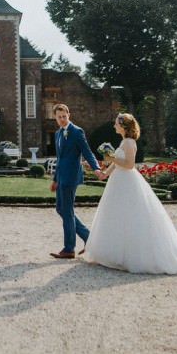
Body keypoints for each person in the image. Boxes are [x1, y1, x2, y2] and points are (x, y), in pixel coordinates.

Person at [83, 113, 177, 274]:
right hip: (118, 181)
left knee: (131, 217)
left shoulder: (129, 142)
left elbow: (130, 165)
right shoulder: (123, 142)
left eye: (116, 124)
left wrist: (111, 157)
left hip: (127, 181)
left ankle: (130, 256)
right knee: (117, 216)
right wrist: (105, 173)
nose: (114, 126)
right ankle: (116, 254)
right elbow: (118, 163)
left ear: (123, 126)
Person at [49, 103, 105, 259]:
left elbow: (87, 152)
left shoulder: (76, 132)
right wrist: (54, 179)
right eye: (59, 117)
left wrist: (96, 168)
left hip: (71, 177)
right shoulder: (58, 133)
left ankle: (69, 249)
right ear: (55, 118)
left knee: (66, 211)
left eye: (64, 116)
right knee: (61, 209)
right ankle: (89, 239)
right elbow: (60, 159)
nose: (62, 119)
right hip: (60, 177)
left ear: (69, 115)